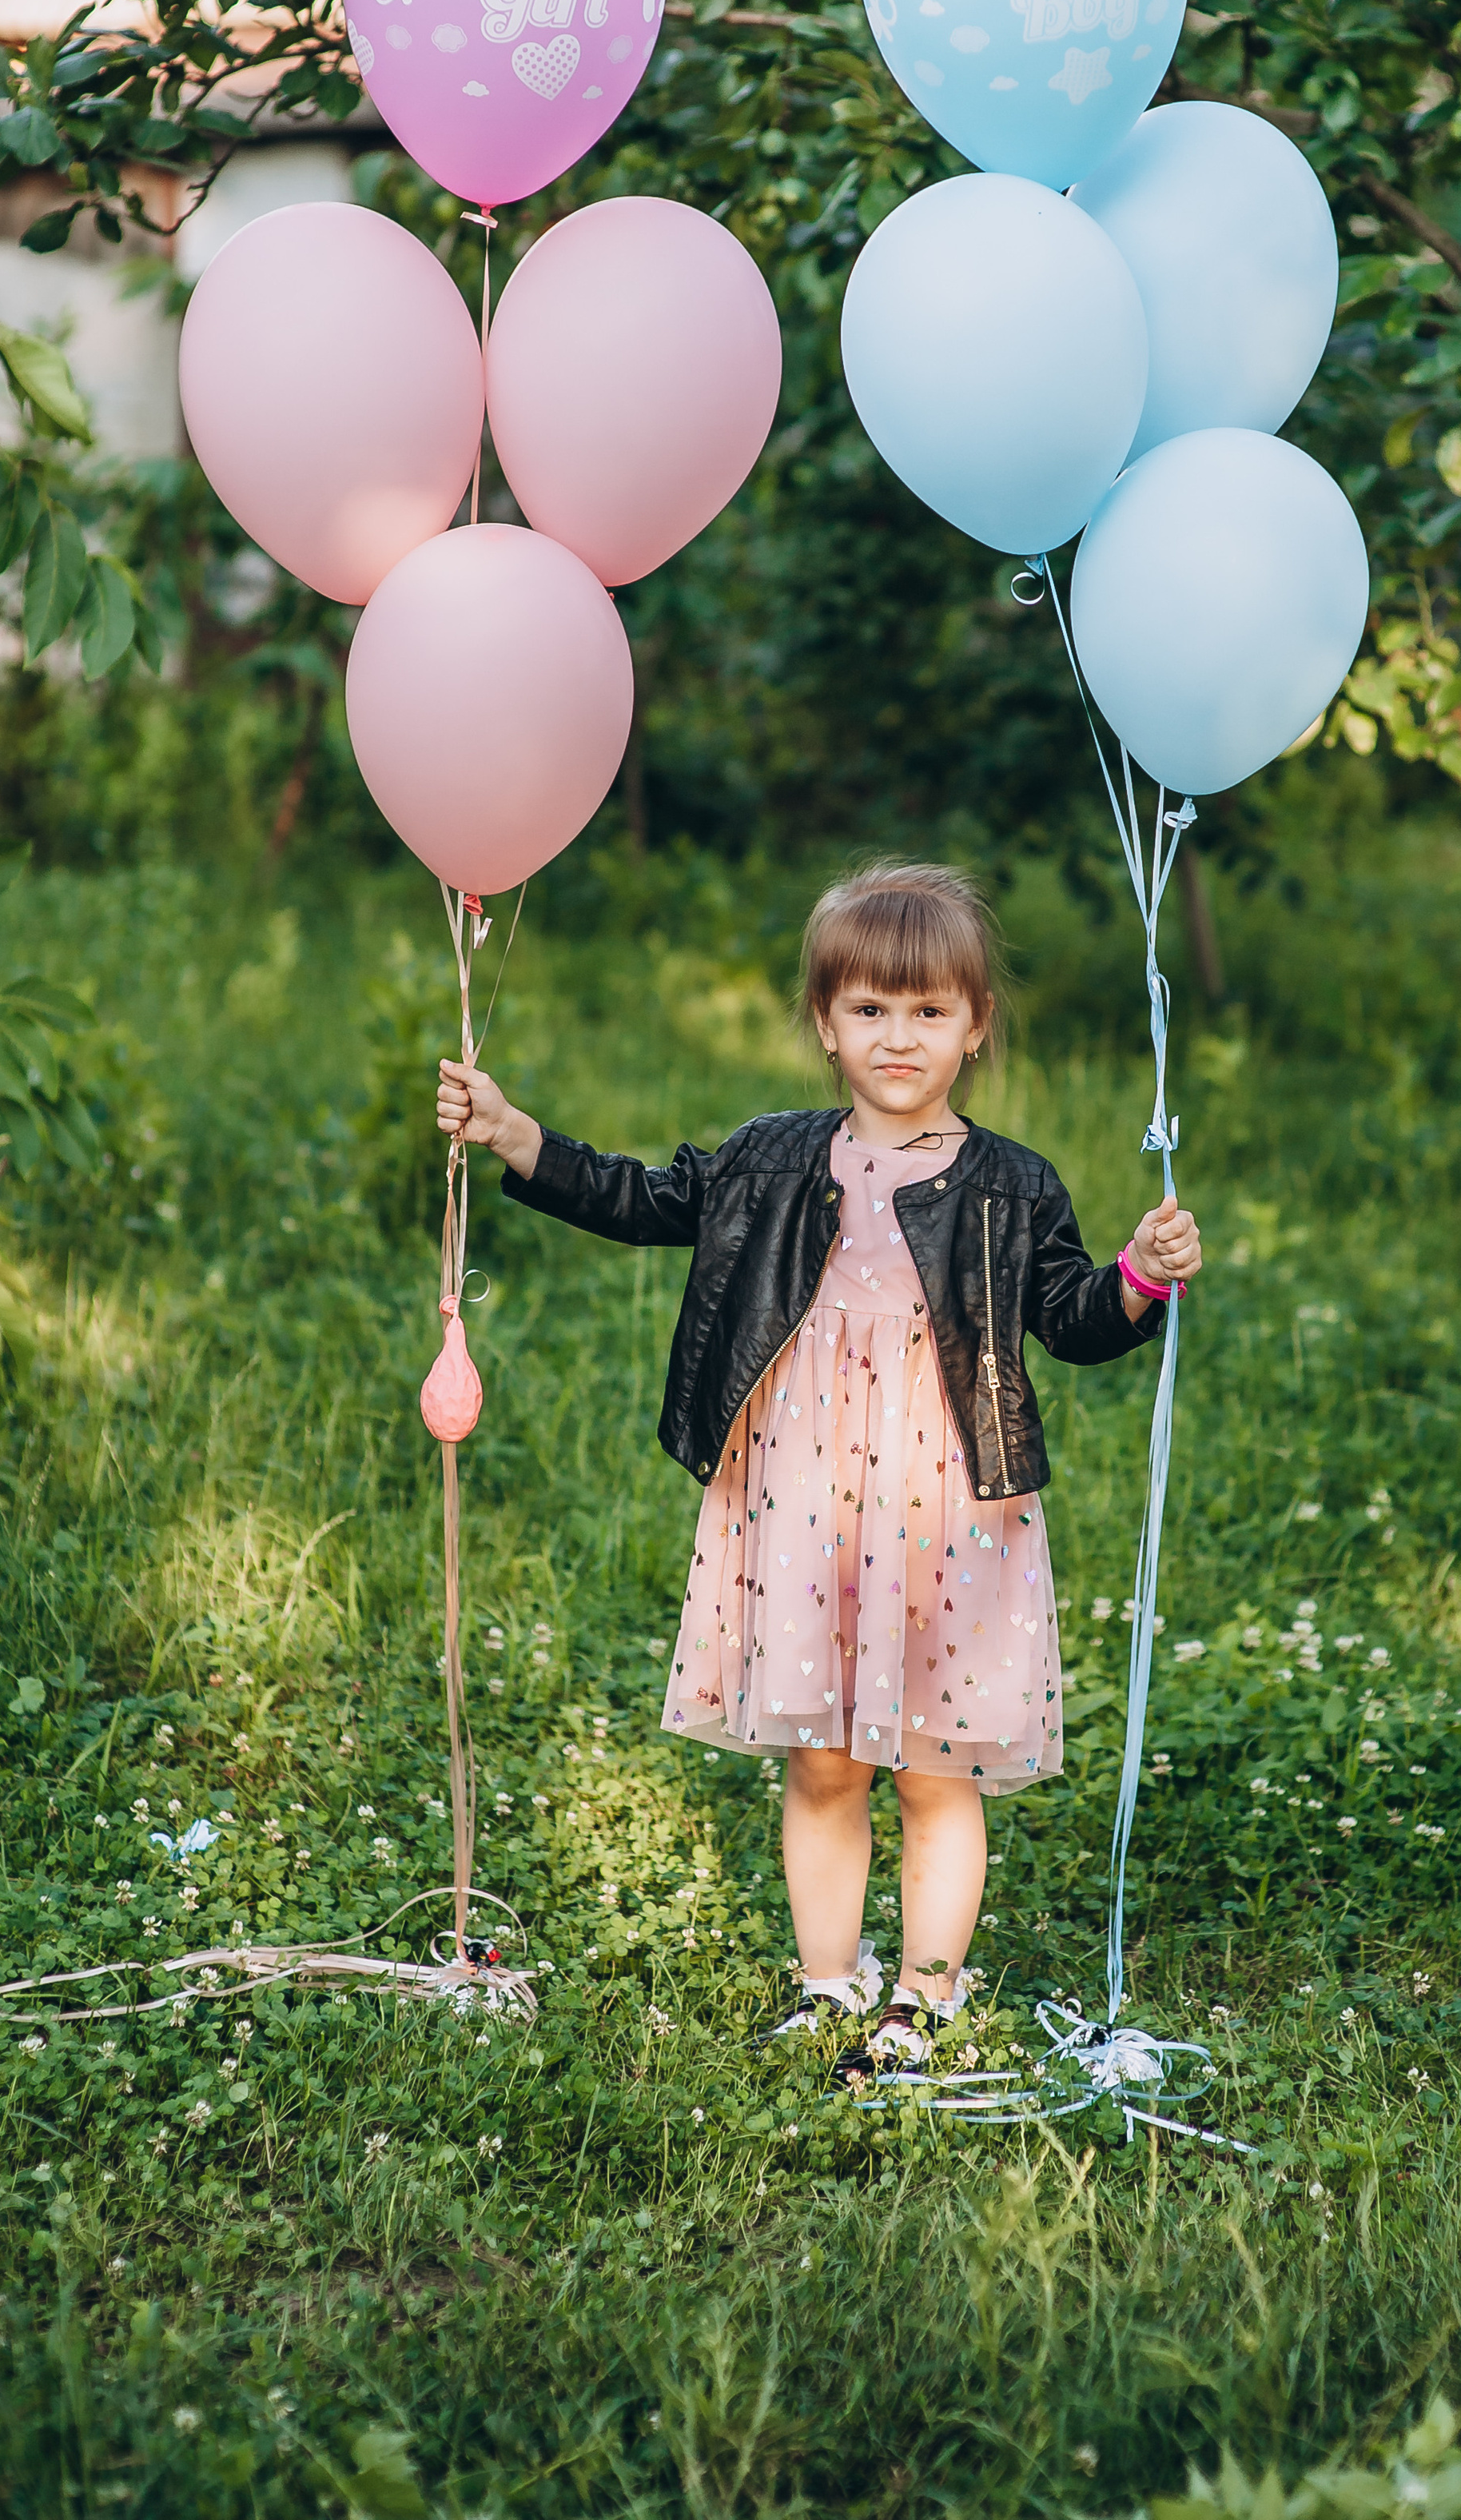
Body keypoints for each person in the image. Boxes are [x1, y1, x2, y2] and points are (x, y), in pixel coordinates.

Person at [436, 859, 1200, 2075]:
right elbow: (644, 1199)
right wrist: (517, 1135)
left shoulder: (1012, 1186)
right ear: (826, 1023)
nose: (899, 1037)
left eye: (930, 1010)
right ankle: (830, 1984)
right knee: (827, 1759)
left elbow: (1072, 1319)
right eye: (869, 1009)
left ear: (976, 1026)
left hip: (948, 1503)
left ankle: (926, 1999)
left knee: (935, 1767)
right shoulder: (773, 1157)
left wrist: (1140, 1277)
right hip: (802, 1496)